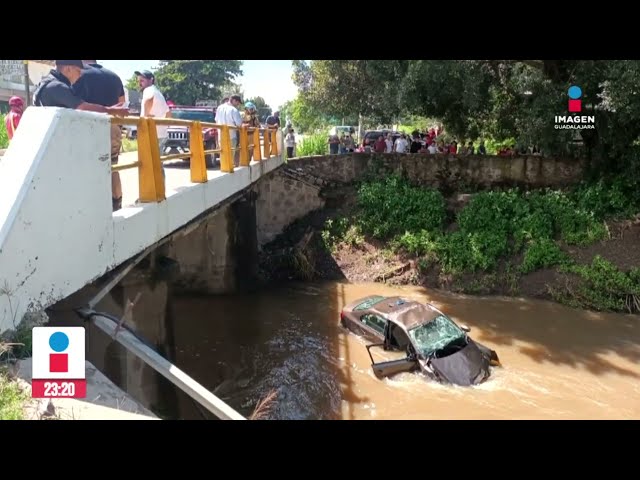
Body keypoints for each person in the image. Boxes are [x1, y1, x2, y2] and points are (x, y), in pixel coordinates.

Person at [73, 60, 126, 211]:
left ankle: (92, 208)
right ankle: (117, 204)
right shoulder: (114, 76)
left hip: (88, 126)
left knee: (88, 167)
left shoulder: (79, 74)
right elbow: (122, 104)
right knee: (113, 165)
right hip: (112, 126)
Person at [33, 60, 128, 117]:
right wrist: (111, 110)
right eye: (78, 71)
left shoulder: (48, 83)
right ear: (68, 69)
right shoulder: (57, 86)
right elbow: (82, 107)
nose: (80, 75)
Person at [135, 69, 170, 157]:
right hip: (161, 133)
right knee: (157, 163)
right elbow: (168, 112)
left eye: (142, 80)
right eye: (139, 81)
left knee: (148, 163)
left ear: (151, 80)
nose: (140, 83)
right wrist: (164, 126)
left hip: (151, 133)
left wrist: (145, 117)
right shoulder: (158, 93)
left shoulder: (148, 90)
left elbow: (148, 100)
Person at [215, 94, 243, 166]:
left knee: (223, 155)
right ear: (234, 100)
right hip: (231, 136)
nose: (238, 105)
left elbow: (216, 120)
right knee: (230, 157)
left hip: (221, 136)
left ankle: (224, 169)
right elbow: (239, 124)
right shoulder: (234, 110)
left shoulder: (219, 108)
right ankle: (229, 169)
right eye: (237, 103)